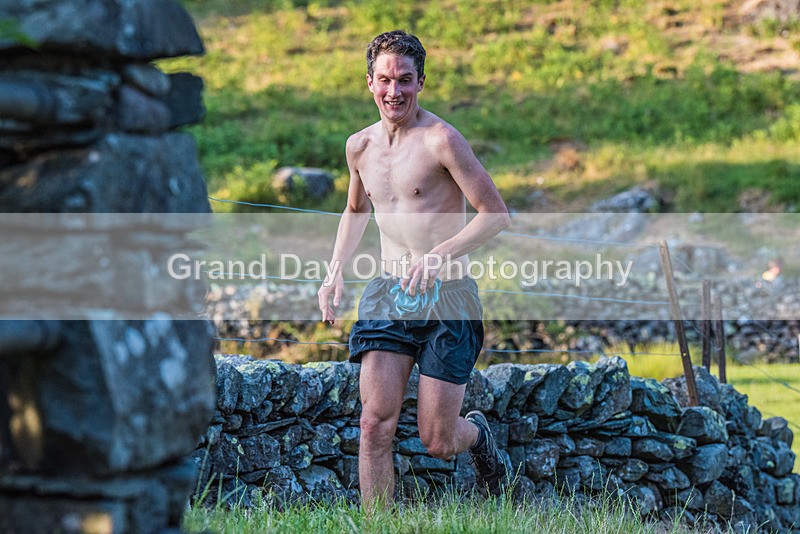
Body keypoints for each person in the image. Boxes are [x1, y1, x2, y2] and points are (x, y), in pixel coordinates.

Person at [317, 29, 511, 509]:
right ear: (369, 82)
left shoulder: (441, 140)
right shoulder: (358, 147)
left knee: (437, 440)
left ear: (420, 82)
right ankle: (377, 522)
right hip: (387, 292)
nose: (394, 91)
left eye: (405, 80)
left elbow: (496, 214)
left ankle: (479, 437)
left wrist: (440, 253)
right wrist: (334, 271)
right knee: (373, 422)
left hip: (449, 297)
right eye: (384, 80)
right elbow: (356, 210)